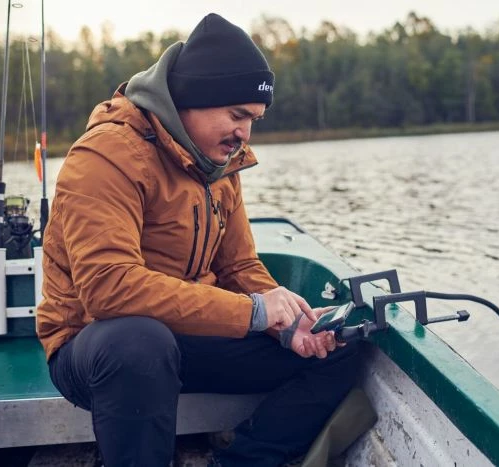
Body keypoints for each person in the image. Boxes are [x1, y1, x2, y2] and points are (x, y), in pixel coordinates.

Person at [36, 13, 359, 467]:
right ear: (189, 100)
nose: (245, 134)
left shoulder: (220, 163)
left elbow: (238, 267)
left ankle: (241, 462)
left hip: (186, 335)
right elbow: (109, 289)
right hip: (95, 346)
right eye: (237, 115)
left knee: (341, 345)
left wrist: (288, 324)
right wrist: (253, 313)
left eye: (254, 119)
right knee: (140, 343)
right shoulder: (106, 155)